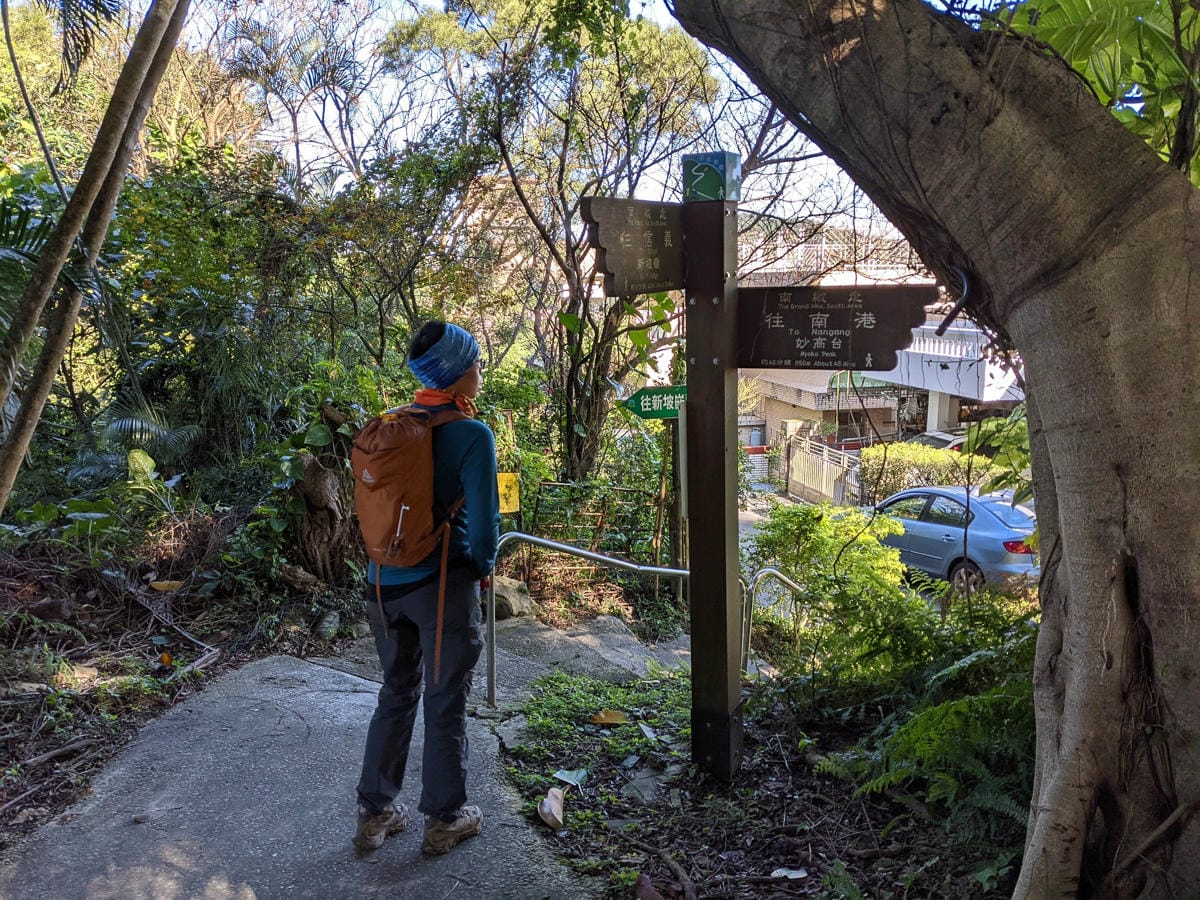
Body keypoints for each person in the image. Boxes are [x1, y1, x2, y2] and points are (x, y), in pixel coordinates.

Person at [353, 321, 500, 856]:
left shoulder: (392, 426)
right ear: (460, 375)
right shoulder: (469, 434)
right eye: (476, 364)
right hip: (441, 586)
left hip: (381, 587)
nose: (480, 373)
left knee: (395, 694)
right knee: (444, 701)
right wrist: (484, 568)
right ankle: (444, 819)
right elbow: (485, 527)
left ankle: (374, 815)